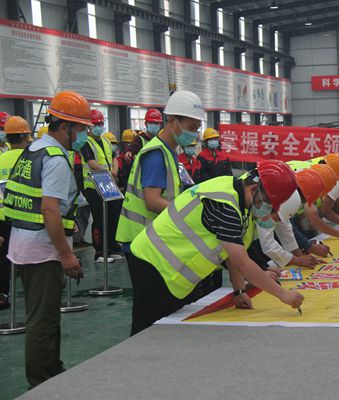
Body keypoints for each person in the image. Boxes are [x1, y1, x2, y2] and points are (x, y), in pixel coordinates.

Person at [129, 160, 304, 334]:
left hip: (169, 269)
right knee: (147, 332)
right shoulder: (225, 204)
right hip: (153, 261)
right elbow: (241, 262)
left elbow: (231, 251)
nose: (267, 210)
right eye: (268, 204)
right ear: (253, 190)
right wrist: (283, 294)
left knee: (164, 331)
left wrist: (239, 291)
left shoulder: (240, 203)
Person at [4, 90, 88, 388]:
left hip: (25, 243)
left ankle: (52, 370)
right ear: (65, 127)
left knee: (44, 315)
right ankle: (41, 382)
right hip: (42, 250)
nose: (84, 135)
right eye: (81, 128)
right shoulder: (55, 159)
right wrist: (66, 254)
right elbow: (49, 209)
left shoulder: (35, 148)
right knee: (43, 320)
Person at [116, 91, 205, 335]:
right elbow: (152, 200)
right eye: (191, 127)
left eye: (197, 128)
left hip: (152, 241)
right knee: (149, 314)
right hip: (142, 243)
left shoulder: (169, 152)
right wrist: (187, 214)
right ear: (172, 121)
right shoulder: (156, 154)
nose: (194, 134)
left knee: (153, 310)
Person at [252, 168, 326, 270]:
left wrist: (301, 257)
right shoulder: (263, 206)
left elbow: (286, 229)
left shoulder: (280, 197)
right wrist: (298, 260)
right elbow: (268, 244)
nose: (278, 222)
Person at [79, 109, 122, 262]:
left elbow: (114, 158)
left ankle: (112, 248)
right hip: (93, 186)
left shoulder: (106, 141)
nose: (98, 127)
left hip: (108, 185)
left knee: (112, 217)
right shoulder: (85, 142)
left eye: (100, 124)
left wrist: (115, 171)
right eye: (95, 124)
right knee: (99, 219)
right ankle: (100, 252)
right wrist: (109, 173)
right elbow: (91, 163)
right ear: (89, 126)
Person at [0, 116, 32, 309]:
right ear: (25, 137)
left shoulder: (1, 159)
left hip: (2, 216)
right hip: (26, 215)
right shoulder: (30, 159)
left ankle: (3, 294)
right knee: (30, 257)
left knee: (3, 258)